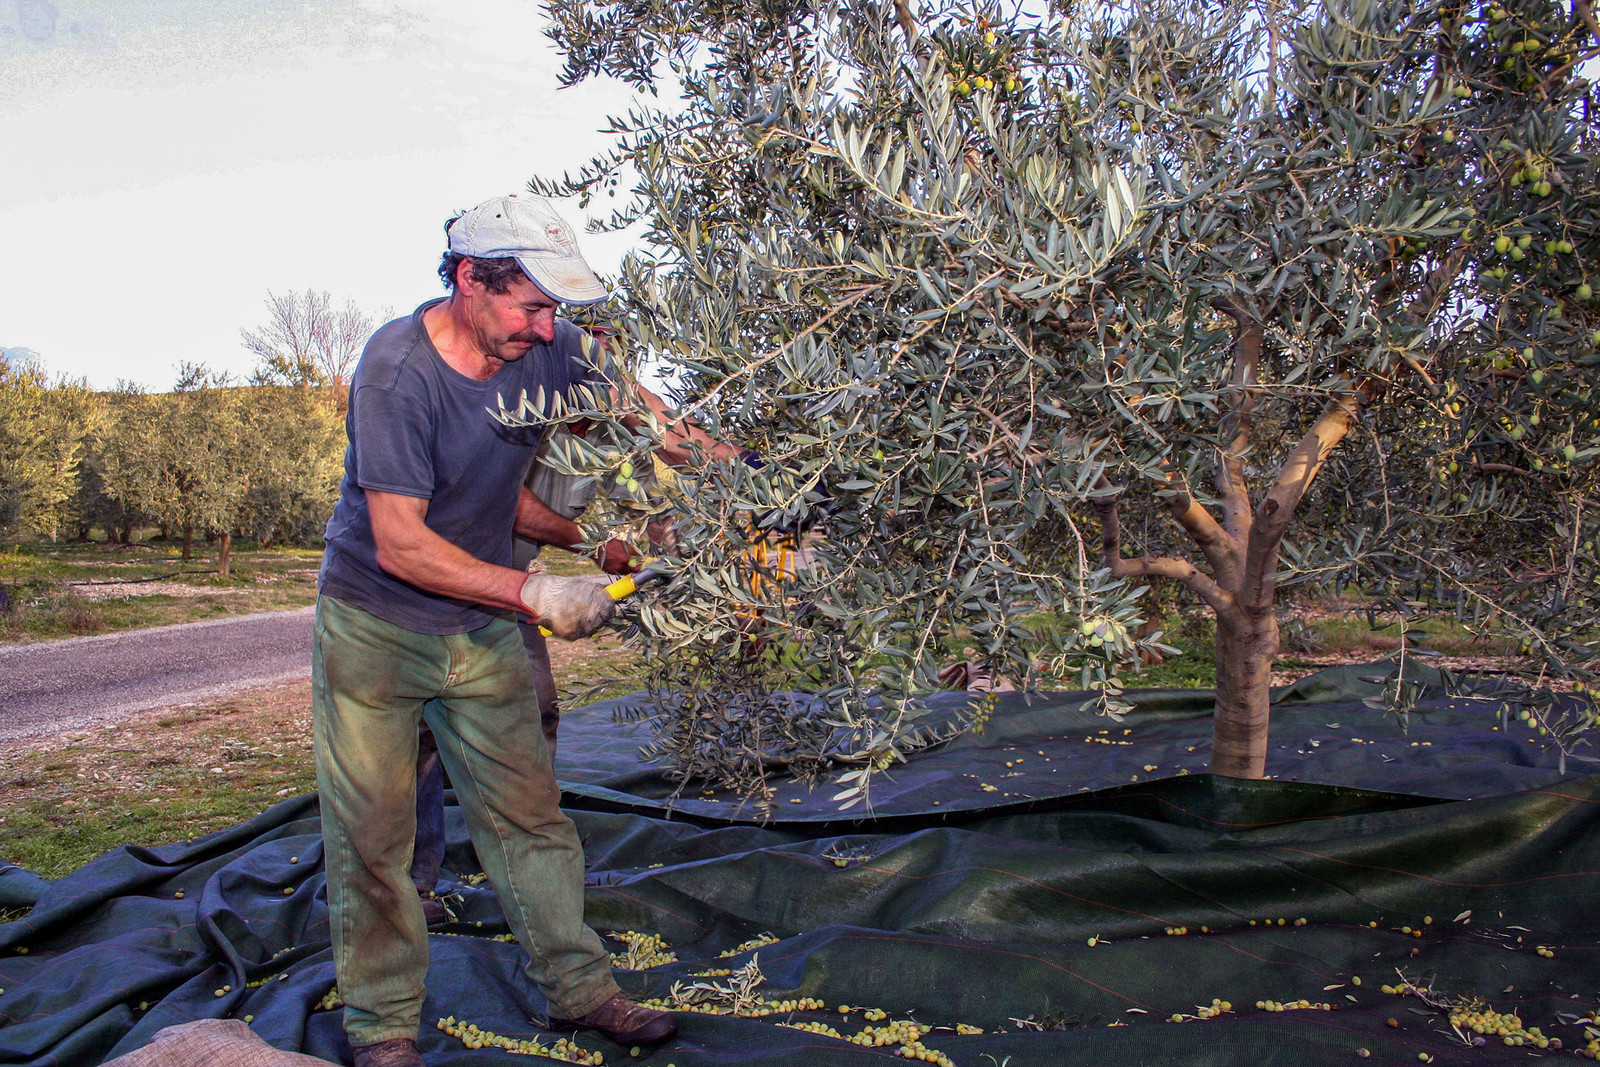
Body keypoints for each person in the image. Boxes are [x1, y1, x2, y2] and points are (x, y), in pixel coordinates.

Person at [312, 192, 678, 1067]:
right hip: (375, 631)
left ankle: (580, 990)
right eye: (533, 306)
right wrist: (534, 591)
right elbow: (403, 542)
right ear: (471, 279)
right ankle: (383, 1028)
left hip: (479, 630)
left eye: (555, 309)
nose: (548, 327)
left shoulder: (548, 348)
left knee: (530, 816)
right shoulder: (394, 373)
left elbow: (649, 423)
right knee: (374, 837)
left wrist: (764, 485)